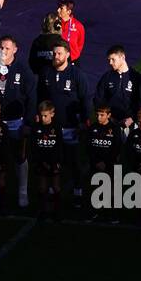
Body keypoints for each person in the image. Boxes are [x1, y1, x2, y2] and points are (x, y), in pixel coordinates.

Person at [37, 41, 91, 209]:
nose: (56, 56)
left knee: (73, 160)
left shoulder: (77, 75)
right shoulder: (46, 73)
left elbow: (85, 100)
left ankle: (77, 190)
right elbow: (40, 96)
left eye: (59, 53)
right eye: (54, 53)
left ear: (68, 54)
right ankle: (53, 191)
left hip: (70, 128)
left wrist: (84, 121)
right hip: (51, 128)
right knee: (51, 160)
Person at [0, 36, 37, 208]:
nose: (3, 51)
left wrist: (28, 122)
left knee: (20, 155)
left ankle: (22, 192)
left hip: (16, 121)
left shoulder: (23, 69)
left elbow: (31, 97)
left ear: (15, 50)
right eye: (1, 47)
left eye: (7, 48)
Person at [85, 103, 123, 224]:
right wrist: (97, 162)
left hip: (110, 164)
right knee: (95, 187)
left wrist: (106, 163)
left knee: (111, 189)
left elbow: (117, 148)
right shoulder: (92, 128)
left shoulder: (115, 128)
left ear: (109, 115)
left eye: (102, 115)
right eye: (97, 115)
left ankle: (112, 213)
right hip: (96, 164)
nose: (99, 117)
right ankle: (95, 211)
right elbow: (89, 147)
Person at [94, 44, 141, 134]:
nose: (110, 63)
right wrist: (106, 116)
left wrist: (132, 118)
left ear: (122, 57)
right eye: (109, 60)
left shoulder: (136, 77)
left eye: (113, 59)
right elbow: (98, 98)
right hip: (110, 123)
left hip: (130, 123)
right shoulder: (107, 77)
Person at [29, 100, 64, 221]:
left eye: (45, 115)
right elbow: (33, 146)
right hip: (41, 162)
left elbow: (59, 147)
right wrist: (40, 162)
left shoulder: (57, 127)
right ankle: (43, 210)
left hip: (54, 162)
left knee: (55, 186)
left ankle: (57, 210)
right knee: (42, 187)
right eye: (41, 115)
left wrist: (55, 162)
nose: (43, 118)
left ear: (52, 114)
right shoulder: (36, 128)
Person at [56, 0, 86, 64]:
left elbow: (80, 44)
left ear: (68, 12)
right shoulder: (54, 24)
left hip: (73, 61)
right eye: (58, 8)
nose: (58, 10)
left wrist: (74, 55)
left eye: (61, 8)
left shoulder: (78, 26)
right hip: (57, 60)